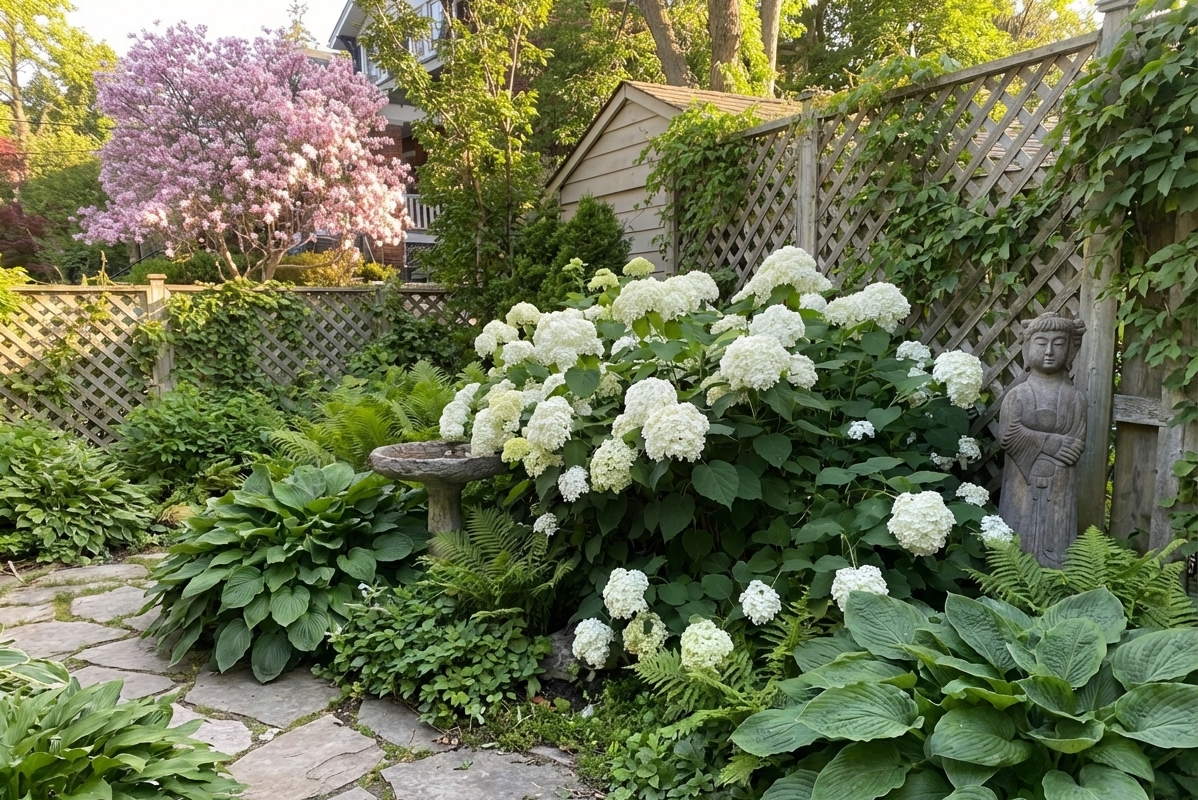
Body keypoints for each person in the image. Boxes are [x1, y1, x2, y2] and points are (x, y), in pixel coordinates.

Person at [998, 312, 1087, 567]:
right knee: (1015, 544)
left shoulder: (1074, 398)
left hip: (1060, 484)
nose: (1049, 351)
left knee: (1057, 539)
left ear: (1070, 351)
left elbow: (1077, 442)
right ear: (1027, 348)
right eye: (1041, 343)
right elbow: (1008, 435)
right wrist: (1052, 443)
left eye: (1058, 344)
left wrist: (1060, 447)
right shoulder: (1018, 395)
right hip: (1020, 484)